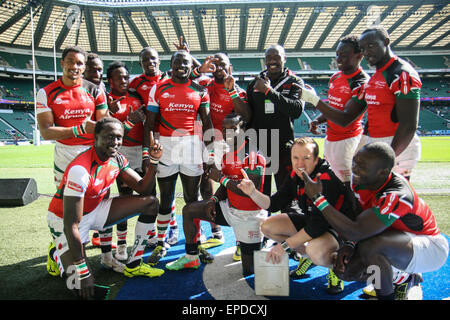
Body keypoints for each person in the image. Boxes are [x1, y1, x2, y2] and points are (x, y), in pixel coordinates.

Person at [301, 142, 449, 300]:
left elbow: (357, 230)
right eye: (355, 162)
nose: (355, 168)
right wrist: (349, 244)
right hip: (395, 241)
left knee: (371, 248)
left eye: (362, 165)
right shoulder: (361, 180)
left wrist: (318, 199)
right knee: (345, 270)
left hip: (430, 247)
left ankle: (389, 294)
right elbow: (356, 216)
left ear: (382, 172)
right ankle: (402, 278)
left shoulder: (397, 194)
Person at [46, 117, 165, 300]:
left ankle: (133, 264)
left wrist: (154, 162)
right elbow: (72, 225)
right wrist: (82, 269)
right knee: (81, 286)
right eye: (109, 137)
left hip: (95, 210)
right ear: (95, 138)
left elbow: (143, 188)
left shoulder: (116, 159)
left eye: (118, 137)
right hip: (65, 221)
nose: (115, 142)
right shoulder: (80, 170)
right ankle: (57, 254)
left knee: (150, 202)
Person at [238, 137, 361, 294]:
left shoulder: (325, 179)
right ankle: (308, 256)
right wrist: (253, 193)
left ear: (317, 159)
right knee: (267, 227)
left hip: (339, 229)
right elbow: (274, 203)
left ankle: (335, 264)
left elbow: (318, 226)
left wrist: (284, 246)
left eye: (306, 158)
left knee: (315, 251)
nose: (300, 163)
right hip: (315, 223)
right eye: (295, 157)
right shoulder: (295, 175)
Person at [299, 26, 422, 180]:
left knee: (392, 196)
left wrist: (388, 158)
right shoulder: (376, 76)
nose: (367, 52)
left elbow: (409, 125)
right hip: (372, 142)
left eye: (371, 46)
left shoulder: (401, 74)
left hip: (392, 145)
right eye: (364, 48)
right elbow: (373, 115)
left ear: (386, 42)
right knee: (363, 193)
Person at [165, 113, 267, 275]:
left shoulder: (253, 154)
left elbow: (250, 192)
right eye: (224, 129)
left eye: (233, 129)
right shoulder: (228, 154)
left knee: (249, 271)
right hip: (230, 209)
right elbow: (225, 186)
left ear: (243, 129)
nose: (228, 134)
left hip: (250, 217)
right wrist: (213, 199)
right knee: (189, 210)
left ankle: (256, 243)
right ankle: (191, 257)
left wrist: (220, 178)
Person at [145, 50, 214, 265]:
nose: (181, 66)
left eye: (185, 62)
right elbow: (149, 124)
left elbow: (208, 124)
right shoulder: (159, 88)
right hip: (166, 146)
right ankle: (161, 242)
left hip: (192, 148)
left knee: (192, 199)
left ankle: (196, 243)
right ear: (171, 64)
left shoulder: (200, 90)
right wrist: (149, 153)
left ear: (189, 66)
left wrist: (210, 154)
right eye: (177, 62)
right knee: (166, 198)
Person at [193, 53, 251, 255]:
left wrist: (231, 90)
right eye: (215, 64)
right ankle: (216, 233)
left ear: (230, 67)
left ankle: (240, 240)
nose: (218, 67)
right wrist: (194, 59)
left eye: (222, 64)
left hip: (229, 146)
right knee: (205, 184)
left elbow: (246, 115)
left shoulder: (237, 90)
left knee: (232, 189)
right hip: (207, 141)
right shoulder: (205, 85)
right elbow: (186, 80)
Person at [97, 61, 146, 271]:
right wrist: (129, 121)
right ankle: (115, 248)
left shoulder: (136, 97)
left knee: (129, 199)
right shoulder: (104, 101)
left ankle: (125, 244)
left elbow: (146, 126)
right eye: (119, 77)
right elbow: (107, 135)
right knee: (109, 201)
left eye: (126, 77)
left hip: (135, 153)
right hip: (113, 154)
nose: (124, 81)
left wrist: (145, 152)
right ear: (110, 81)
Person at [37, 46, 108, 187]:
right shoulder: (46, 93)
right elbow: (46, 132)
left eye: (79, 63)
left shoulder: (95, 91)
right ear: (62, 63)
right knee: (66, 200)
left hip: (92, 151)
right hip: (64, 153)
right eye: (70, 61)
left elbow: (104, 126)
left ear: (84, 67)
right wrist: (80, 129)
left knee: (97, 197)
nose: (74, 66)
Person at [246, 44, 305, 204]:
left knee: (286, 195)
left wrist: (268, 91)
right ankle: (261, 228)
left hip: (283, 147)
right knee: (259, 195)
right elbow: (248, 116)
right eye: (269, 58)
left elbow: (296, 110)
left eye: (276, 57)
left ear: (284, 58)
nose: (272, 61)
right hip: (261, 147)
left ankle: (287, 226)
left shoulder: (295, 82)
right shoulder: (254, 83)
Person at [309, 35, 370, 187]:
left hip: (348, 142)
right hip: (330, 140)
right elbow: (333, 108)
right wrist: (318, 120)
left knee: (347, 185)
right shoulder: (335, 77)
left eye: (343, 55)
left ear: (359, 55)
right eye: (337, 54)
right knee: (330, 183)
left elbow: (345, 119)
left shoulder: (362, 83)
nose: (338, 58)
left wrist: (313, 100)